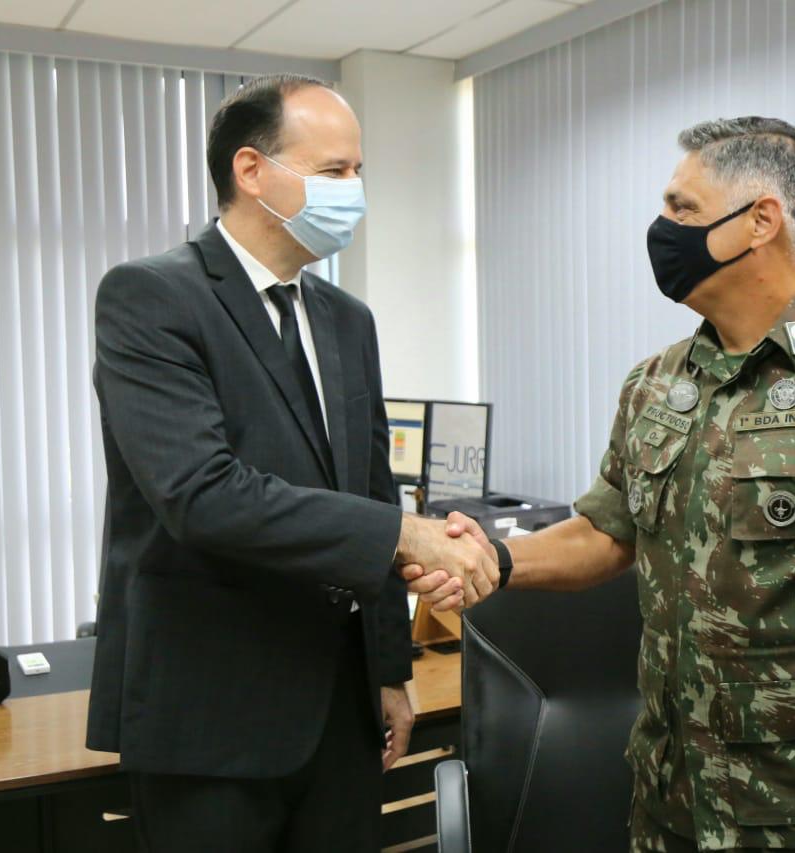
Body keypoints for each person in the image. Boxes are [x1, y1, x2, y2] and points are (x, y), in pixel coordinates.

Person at [408, 117, 795, 852]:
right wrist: (498, 560)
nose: (661, 229)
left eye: (681, 209)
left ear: (760, 221)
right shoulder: (656, 384)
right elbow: (607, 532)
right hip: (674, 798)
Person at [86, 73, 493, 853]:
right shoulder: (151, 297)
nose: (354, 191)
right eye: (335, 171)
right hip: (210, 716)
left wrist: (388, 667)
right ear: (251, 171)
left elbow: (370, 487)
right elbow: (201, 494)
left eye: (358, 172)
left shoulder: (346, 320)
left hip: (340, 715)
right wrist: (408, 537)